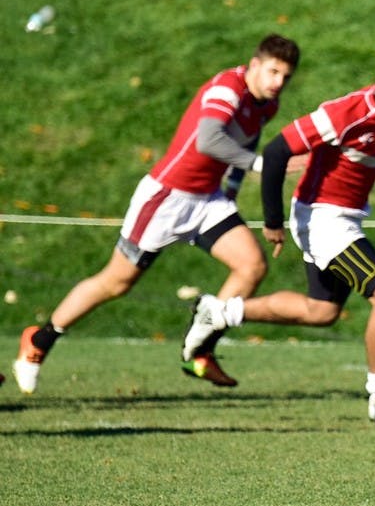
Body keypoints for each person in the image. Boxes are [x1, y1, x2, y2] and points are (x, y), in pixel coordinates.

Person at [182, 43, 375, 429]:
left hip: (345, 218)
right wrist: (273, 221)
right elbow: (277, 151)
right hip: (322, 218)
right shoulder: (346, 112)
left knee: (322, 311)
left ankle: (219, 310)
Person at [10, 34, 301, 393]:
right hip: (167, 197)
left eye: (286, 77)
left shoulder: (266, 104)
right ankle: (39, 341)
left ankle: (199, 352)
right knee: (116, 282)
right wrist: (261, 166)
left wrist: (231, 190)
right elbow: (208, 140)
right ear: (254, 65)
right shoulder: (228, 88)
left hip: (208, 199)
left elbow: (246, 142)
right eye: (273, 72)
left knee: (252, 265)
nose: (278, 83)